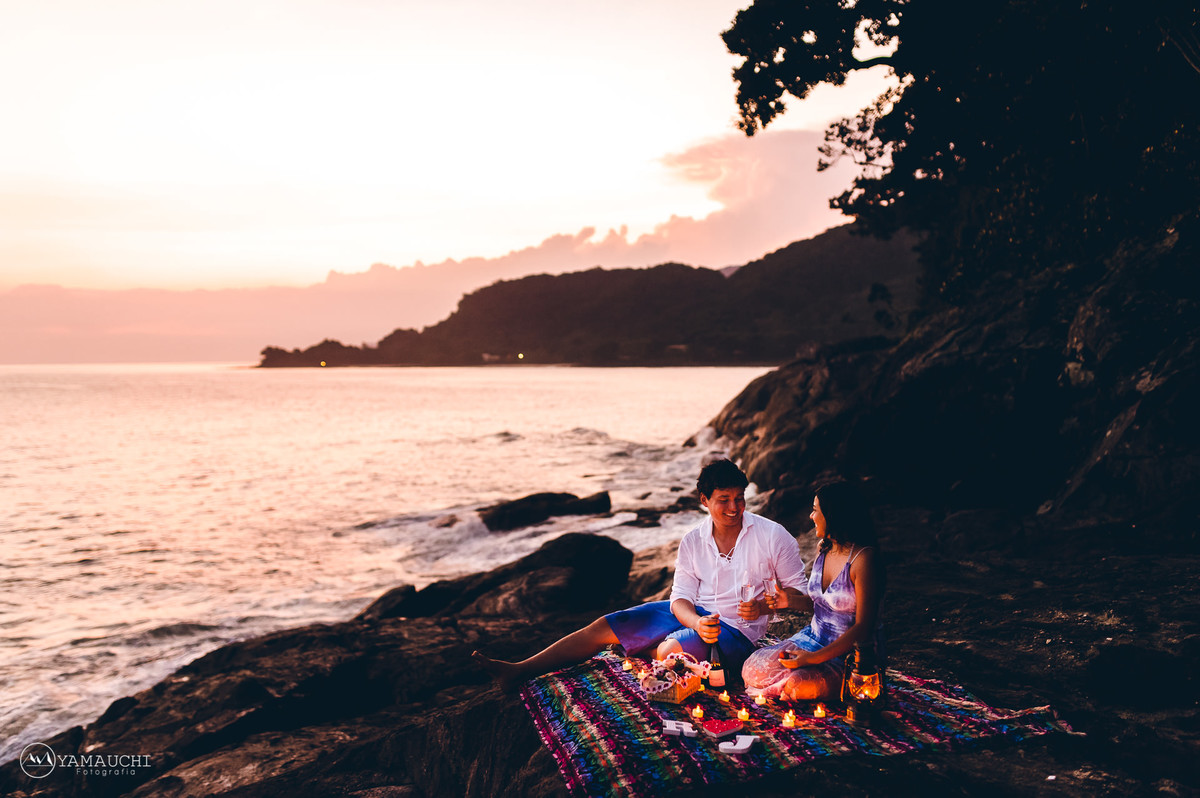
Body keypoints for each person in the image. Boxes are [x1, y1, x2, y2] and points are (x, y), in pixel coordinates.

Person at [472, 458, 808, 689]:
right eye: (724, 500)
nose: (734, 508)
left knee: (668, 653)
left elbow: (805, 600)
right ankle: (518, 670)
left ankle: (648, 646)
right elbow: (680, 599)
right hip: (694, 619)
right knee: (604, 626)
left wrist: (768, 607)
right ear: (704, 500)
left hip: (736, 634)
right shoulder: (692, 540)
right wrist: (695, 622)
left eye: (739, 498)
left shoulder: (773, 536)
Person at [742, 479, 884, 701]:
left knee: (798, 686)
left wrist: (812, 659)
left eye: (815, 510)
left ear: (834, 515)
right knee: (752, 668)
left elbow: (863, 627)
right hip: (813, 638)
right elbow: (819, 604)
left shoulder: (863, 559)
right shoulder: (824, 548)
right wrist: (788, 600)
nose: (811, 516)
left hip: (850, 655)